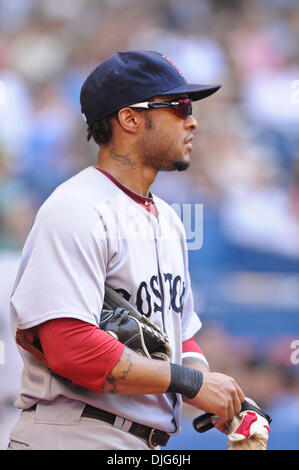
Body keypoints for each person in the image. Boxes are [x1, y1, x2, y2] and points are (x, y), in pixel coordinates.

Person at [8, 50, 245, 450]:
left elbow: (179, 338)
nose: (193, 120)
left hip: (140, 441)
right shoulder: (75, 209)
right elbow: (71, 348)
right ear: (130, 118)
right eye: (178, 105)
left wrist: (221, 397)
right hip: (76, 432)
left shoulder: (167, 218)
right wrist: (192, 383)